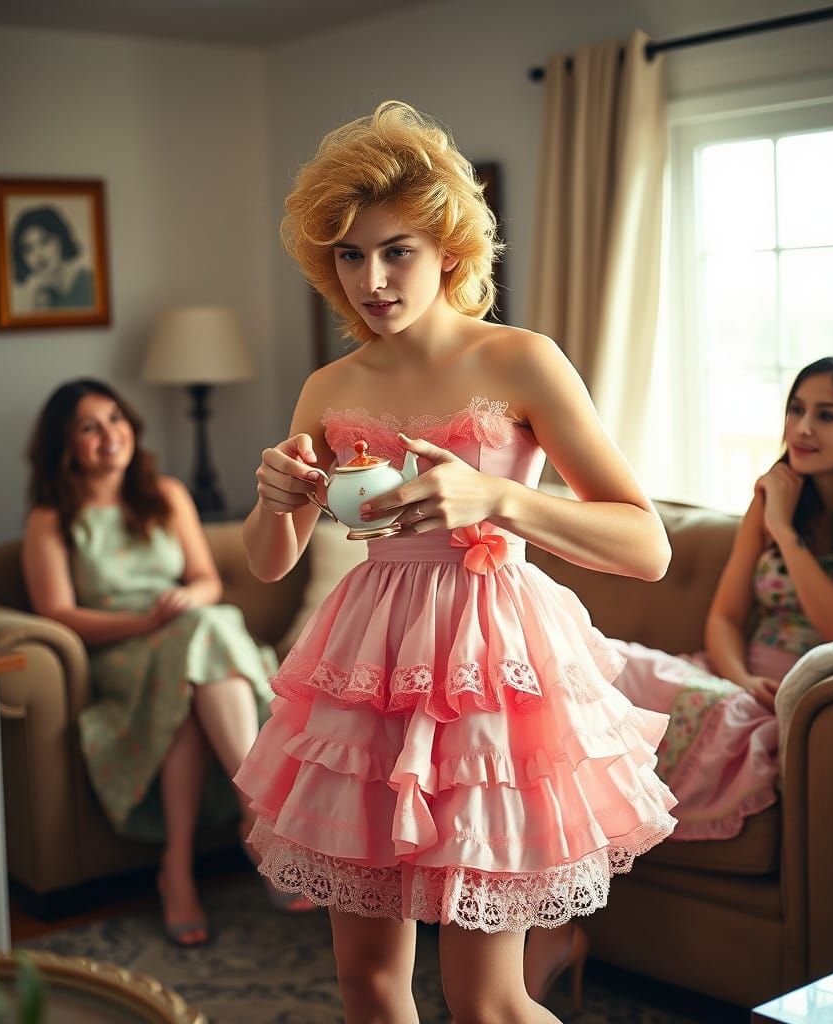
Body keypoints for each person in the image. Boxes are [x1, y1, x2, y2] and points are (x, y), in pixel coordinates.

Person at [232, 100, 678, 1024]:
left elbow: (648, 543)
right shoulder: (331, 385)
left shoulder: (520, 361)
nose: (372, 279)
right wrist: (279, 501)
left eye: (395, 250)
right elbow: (272, 563)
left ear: (447, 250)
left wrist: (503, 500)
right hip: (368, 669)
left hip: (488, 666)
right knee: (367, 983)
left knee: (487, 1003)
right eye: (350, 255)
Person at [524, 354, 833, 1004]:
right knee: (591, 671)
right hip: (728, 676)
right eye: (796, 409)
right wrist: (737, 671)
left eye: (826, 415)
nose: (802, 428)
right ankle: (555, 925)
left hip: (798, 697)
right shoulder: (772, 491)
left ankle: (556, 934)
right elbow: (724, 617)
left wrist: (786, 531)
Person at [21, 378, 310, 949]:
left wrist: (185, 604)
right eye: (89, 426)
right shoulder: (51, 519)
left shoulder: (167, 493)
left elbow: (205, 581)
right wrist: (146, 624)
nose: (110, 434)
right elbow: (57, 611)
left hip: (183, 639)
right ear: (64, 444)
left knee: (201, 637)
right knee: (200, 641)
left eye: (115, 418)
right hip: (121, 650)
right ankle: (256, 813)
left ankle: (176, 868)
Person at [11, 206, 95, 311]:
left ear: (61, 238)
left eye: (45, 241)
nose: (38, 254)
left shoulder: (90, 283)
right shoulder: (41, 297)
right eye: (28, 249)